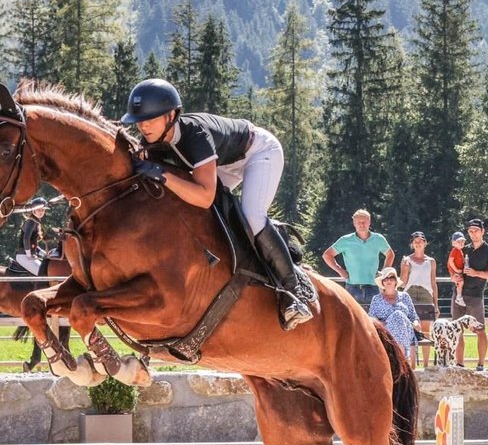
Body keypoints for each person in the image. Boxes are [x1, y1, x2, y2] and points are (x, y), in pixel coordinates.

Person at [122, 78, 315, 330]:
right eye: (139, 120)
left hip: (258, 152)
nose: (143, 125)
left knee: (252, 215)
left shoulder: (194, 135)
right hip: (222, 163)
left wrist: (162, 174)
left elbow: (204, 195)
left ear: (171, 115)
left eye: (150, 118)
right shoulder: (153, 141)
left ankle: (294, 292)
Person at [452, 219, 488, 371]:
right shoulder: (463, 249)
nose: (473, 234)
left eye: (476, 231)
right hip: (459, 294)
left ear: (482, 232)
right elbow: (453, 267)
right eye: (471, 231)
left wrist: (477, 273)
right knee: (457, 330)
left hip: (475, 296)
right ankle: (459, 364)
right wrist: (454, 277)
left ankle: (481, 364)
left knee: (480, 330)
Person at [322, 209, 395, 309]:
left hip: (373, 287)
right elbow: (327, 255)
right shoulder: (345, 240)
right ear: (354, 223)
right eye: (359, 222)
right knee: (351, 321)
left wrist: (384, 273)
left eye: (364, 222)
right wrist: (340, 270)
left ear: (369, 222)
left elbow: (390, 254)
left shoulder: (378, 239)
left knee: (375, 320)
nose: (361, 225)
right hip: (352, 287)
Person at [399, 231, 439, 367]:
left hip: (426, 293)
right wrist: (405, 269)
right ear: (412, 244)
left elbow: (433, 282)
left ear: (425, 243)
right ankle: (412, 365)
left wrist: (436, 304)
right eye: (415, 240)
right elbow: (402, 282)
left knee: (426, 328)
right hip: (410, 292)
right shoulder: (406, 260)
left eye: (421, 240)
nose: (418, 242)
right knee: (412, 327)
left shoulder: (431, 261)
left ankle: (426, 364)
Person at [368, 267, 421, 365]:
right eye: (386, 279)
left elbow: (413, 317)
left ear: (396, 281)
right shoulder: (376, 299)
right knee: (397, 316)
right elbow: (371, 319)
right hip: (386, 331)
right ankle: (403, 358)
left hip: (406, 329)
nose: (388, 281)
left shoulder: (405, 296)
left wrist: (416, 323)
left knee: (399, 316)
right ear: (383, 282)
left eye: (391, 278)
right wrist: (385, 323)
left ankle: (399, 358)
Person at [16, 197, 49, 275]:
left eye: (42, 210)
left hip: (28, 255)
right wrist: (29, 255)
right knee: (44, 274)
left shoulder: (36, 221)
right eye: (38, 210)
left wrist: (43, 253)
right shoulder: (31, 221)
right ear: (33, 210)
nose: (41, 212)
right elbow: (26, 238)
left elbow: (32, 244)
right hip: (23, 256)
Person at [445, 233, 467, 308]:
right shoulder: (455, 251)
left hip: (458, 271)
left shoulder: (460, 251)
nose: (461, 243)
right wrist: (456, 270)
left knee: (460, 282)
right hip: (455, 271)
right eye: (459, 242)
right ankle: (459, 297)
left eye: (462, 242)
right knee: (460, 282)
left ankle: (459, 296)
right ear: (453, 243)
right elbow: (450, 261)